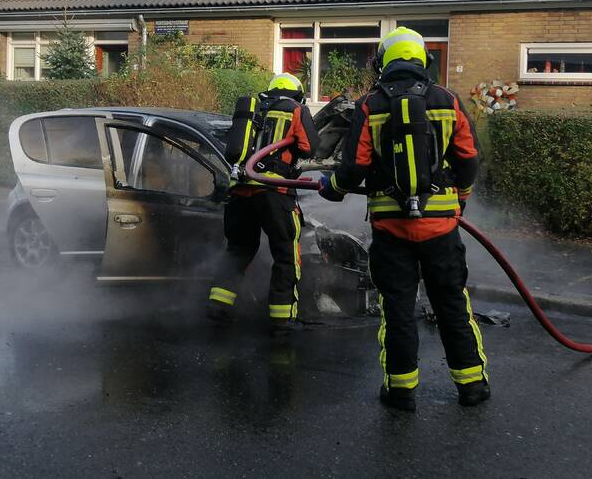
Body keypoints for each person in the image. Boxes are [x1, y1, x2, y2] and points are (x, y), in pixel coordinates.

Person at [319, 27, 487, 412]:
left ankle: (400, 391)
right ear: (424, 60)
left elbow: (354, 167)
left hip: (391, 229)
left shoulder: (370, 104)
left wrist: (333, 188)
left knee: (397, 309)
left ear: (382, 63)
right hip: (441, 227)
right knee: (451, 304)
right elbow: (468, 159)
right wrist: (459, 198)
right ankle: (472, 386)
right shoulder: (447, 100)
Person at [207, 72, 321, 335]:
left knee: (238, 249)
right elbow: (309, 146)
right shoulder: (295, 109)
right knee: (285, 253)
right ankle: (283, 319)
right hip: (273, 190)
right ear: (298, 94)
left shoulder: (253, 109)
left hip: (240, 190)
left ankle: (218, 307)